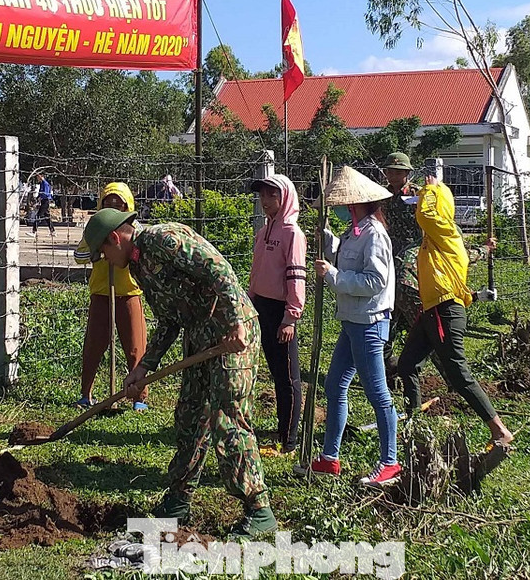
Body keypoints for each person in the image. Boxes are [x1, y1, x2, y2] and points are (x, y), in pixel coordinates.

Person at [83, 208, 276, 537]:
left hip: (232, 336)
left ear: (115, 238)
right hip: (200, 339)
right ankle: (178, 500)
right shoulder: (138, 266)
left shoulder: (164, 240)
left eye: (103, 253)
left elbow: (219, 270)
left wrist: (235, 322)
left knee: (227, 417)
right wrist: (144, 366)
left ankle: (259, 509)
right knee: (190, 416)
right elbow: (170, 320)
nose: (106, 260)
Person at [397, 167, 515, 451]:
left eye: (422, 203)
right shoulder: (435, 239)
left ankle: (500, 430)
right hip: (432, 310)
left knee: (458, 375)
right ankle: (415, 425)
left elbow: (426, 214)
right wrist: (421, 192)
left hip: (444, 312)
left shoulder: (447, 232)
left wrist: (431, 189)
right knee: (407, 364)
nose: (417, 210)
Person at [301, 166, 400, 488]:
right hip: (351, 320)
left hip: (369, 322)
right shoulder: (354, 232)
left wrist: (332, 276)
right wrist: (327, 240)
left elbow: (374, 281)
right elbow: (345, 257)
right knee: (334, 385)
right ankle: (330, 458)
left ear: (356, 204)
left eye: (344, 204)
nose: (341, 208)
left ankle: (390, 462)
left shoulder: (374, 234)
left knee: (377, 393)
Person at [73, 183, 149, 411]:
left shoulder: (135, 228)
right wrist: (97, 252)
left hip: (129, 292)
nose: (114, 207)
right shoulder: (96, 228)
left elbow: (141, 254)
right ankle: (85, 394)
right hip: (101, 293)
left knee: (135, 346)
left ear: (128, 205)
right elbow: (79, 255)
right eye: (108, 203)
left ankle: (139, 397)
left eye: (119, 204)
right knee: (94, 345)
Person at [247, 173, 306, 457]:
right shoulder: (264, 231)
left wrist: (290, 317)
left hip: (281, 311)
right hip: (261, 307)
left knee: (287, 377)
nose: (266, 200)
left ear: (286, 197)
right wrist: (250, 300)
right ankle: (282, 430)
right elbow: (257, 269)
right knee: (274, 371)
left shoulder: (293, 234)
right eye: (262, 195)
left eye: (272, 195)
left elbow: (296, 276)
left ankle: (289, 440)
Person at [381, 152, 423, 385]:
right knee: (388, 317)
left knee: (420, 317)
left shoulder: (418, 194)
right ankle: (388, 369)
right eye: (390, 171)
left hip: (412, 258)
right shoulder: (382, 195)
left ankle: (444, 371)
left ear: (407, 173)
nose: (393, 175)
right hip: (389, 256)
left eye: (398, 171)